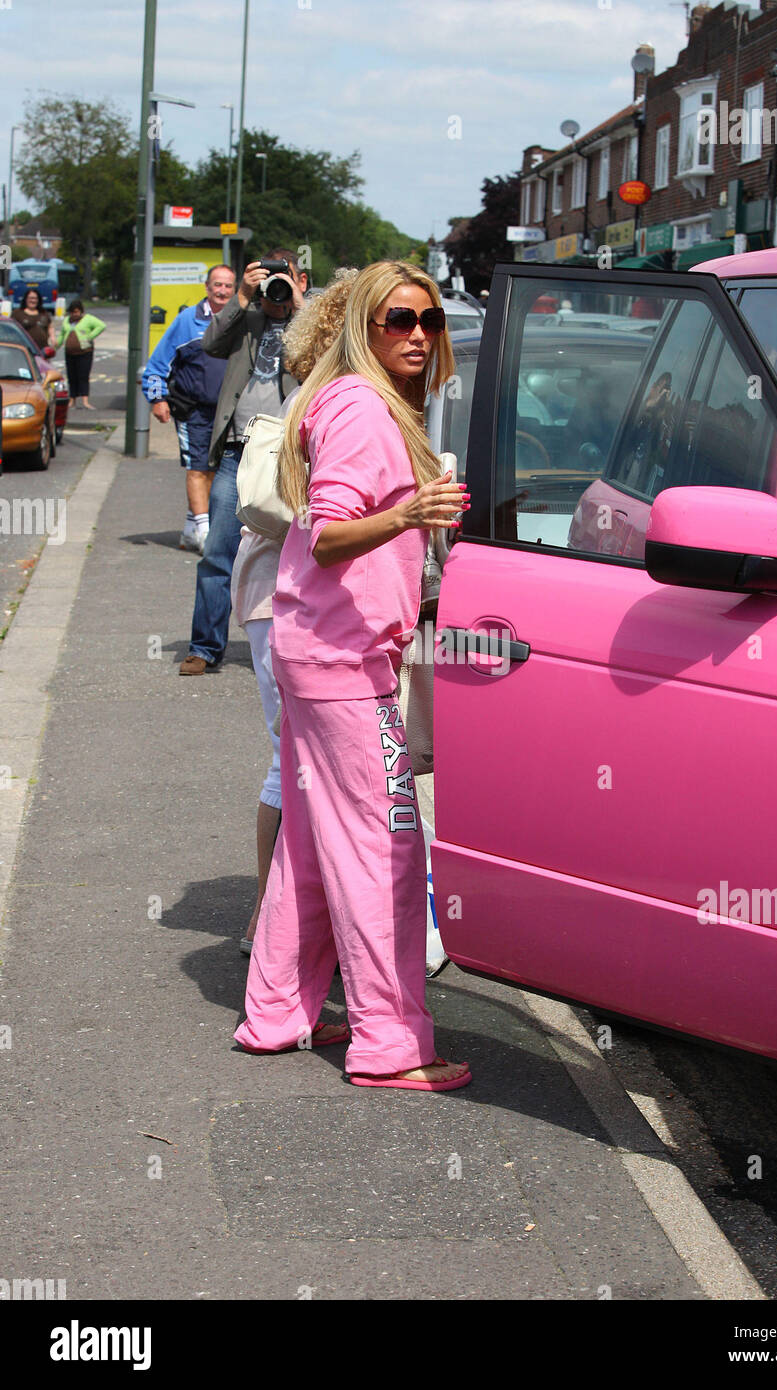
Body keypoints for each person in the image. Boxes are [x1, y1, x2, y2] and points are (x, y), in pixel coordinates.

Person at [234, 260, 472, 1092]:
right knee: (387, 852)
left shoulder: (347, 403)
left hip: (320, 649)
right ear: (360, 328)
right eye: (396, 320)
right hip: (343, 661)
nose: (415, 335)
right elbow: (332, 533)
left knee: (308, 844)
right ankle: (389, 1044)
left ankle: (276, 1012)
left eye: (428, 321)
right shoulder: (364, 412)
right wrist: (410, 513)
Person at [232, 267, 359, 957]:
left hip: (282, 591)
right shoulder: (330, 401)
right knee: (296, 757)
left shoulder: (324, 395)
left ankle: (285, 920)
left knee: (302, 757)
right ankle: (275, 923)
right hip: (283, 592)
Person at [178, 250, 308, 676]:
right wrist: (241, 296)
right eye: (269, 279)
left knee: (294, 553)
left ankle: (289, 646)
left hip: (289, 454)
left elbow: (330, 357)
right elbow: (211, 343)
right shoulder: (247, 318)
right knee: (218, 550)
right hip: (237, 451)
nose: (275, 288)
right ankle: (205, 646)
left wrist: (300, 304)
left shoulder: (307, 322)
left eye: (283, 279)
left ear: (300, 279)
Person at [141, 265, 236, 553]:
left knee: (216, 473)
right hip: (192, 410)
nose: (221, 291)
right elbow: (157, 365)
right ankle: (206, 536)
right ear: (207, 287)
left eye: (227, 286)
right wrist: (157, 399)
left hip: (227, 413)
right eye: (216, 285)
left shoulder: (240, 320)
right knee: (198, 469)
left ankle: (189, 530)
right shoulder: (187, 321)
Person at [60, 300, 106, 408]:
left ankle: (85, 401)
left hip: (85, 351)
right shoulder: (67, 320)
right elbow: (62, 334)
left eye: (77, 312)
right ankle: (72, 400)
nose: (75, 314)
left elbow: (101, 326)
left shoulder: (88, 319)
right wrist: (56, 345)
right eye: (72, 312)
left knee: (83, 376)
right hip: (70, 352)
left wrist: (89, 336)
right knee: (72, 376)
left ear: (81, 311)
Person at [11, 287, 57, 359]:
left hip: (42, 350)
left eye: (35, 298)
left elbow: (50, 326)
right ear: (26, 299)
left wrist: (53, 337)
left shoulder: (43, 313)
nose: (33, 300)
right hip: (24, 351)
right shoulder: (17, 313)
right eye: (31, 298)